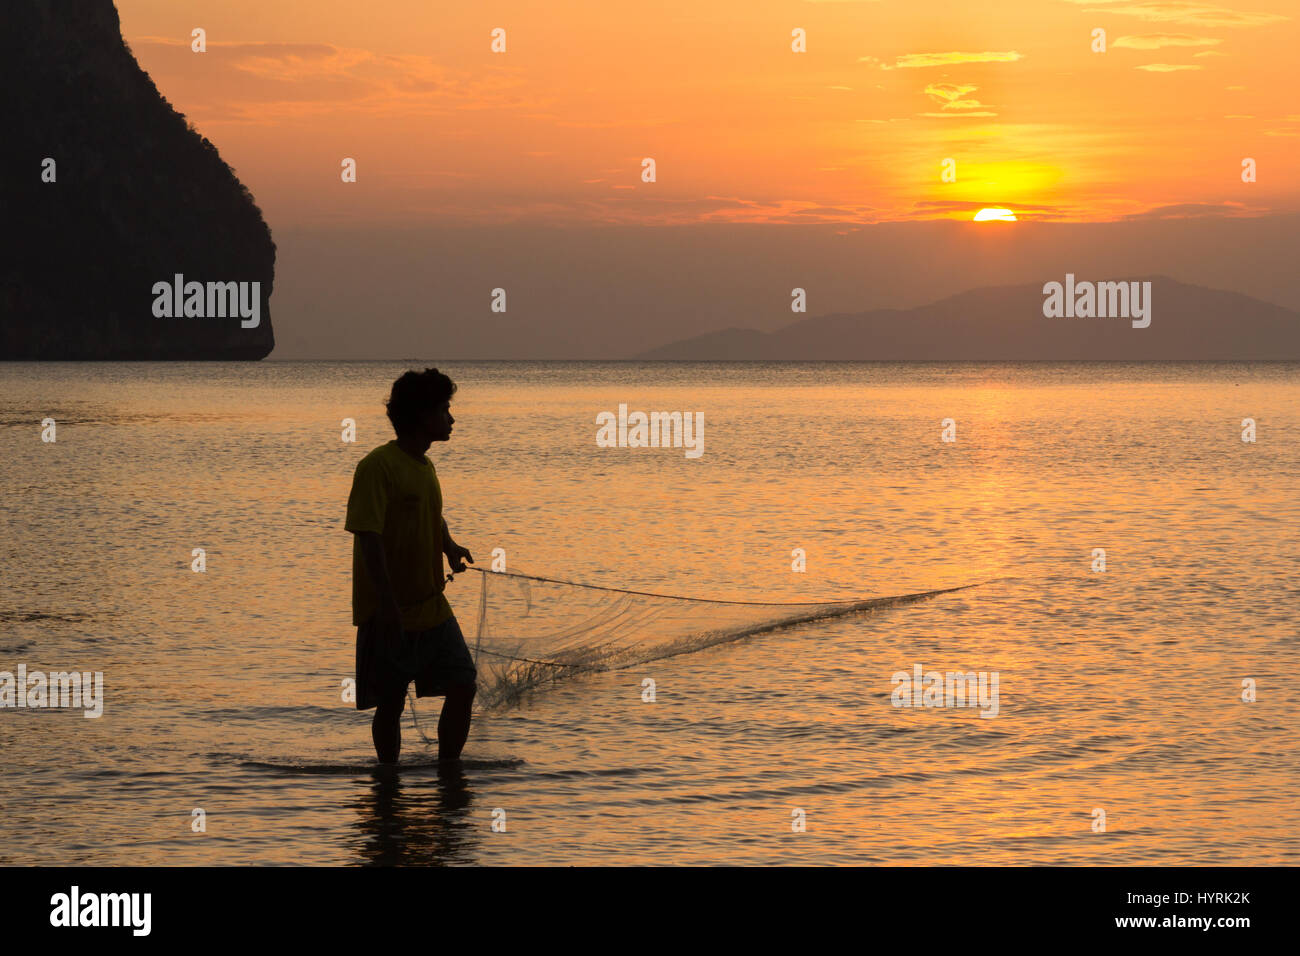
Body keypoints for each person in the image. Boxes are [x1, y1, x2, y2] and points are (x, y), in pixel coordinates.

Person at [345, 368, 476, 765]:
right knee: (390, 703)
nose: (451, 420)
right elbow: (368, 537)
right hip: (389, 612)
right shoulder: (377, 467)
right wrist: (386, 608)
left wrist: (450, 547)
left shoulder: (425, 466)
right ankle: (388, 781)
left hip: (431, 605)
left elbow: (431, 516)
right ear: (422, 415)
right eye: (444, 410)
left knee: (463, 683)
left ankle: (449, 772)